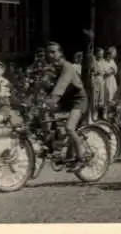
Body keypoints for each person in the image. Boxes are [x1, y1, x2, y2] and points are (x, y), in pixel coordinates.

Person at [44, 42, 89, 170]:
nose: (50, 55)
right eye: (49, 52)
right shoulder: (52, 68)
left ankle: (81, 158)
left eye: (53, 52)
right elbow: (45, 86)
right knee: (42, 115)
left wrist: (52, 101)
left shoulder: (67, 67)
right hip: (65, 101)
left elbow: (61, 86)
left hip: (78, 100)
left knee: (69, 128)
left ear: (60, 53)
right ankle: (52, 144)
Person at [92, 48, 106, 119]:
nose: (101, 55)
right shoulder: (94, 61)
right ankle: (94, 113)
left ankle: (102, 114)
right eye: (100, 53)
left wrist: (101, 72)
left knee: (101, 98)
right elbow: (95, 71)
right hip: (95, 79)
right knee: (95, 97)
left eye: (102, 53)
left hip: (101, 79)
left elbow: (103, 71)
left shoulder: (103, 61)